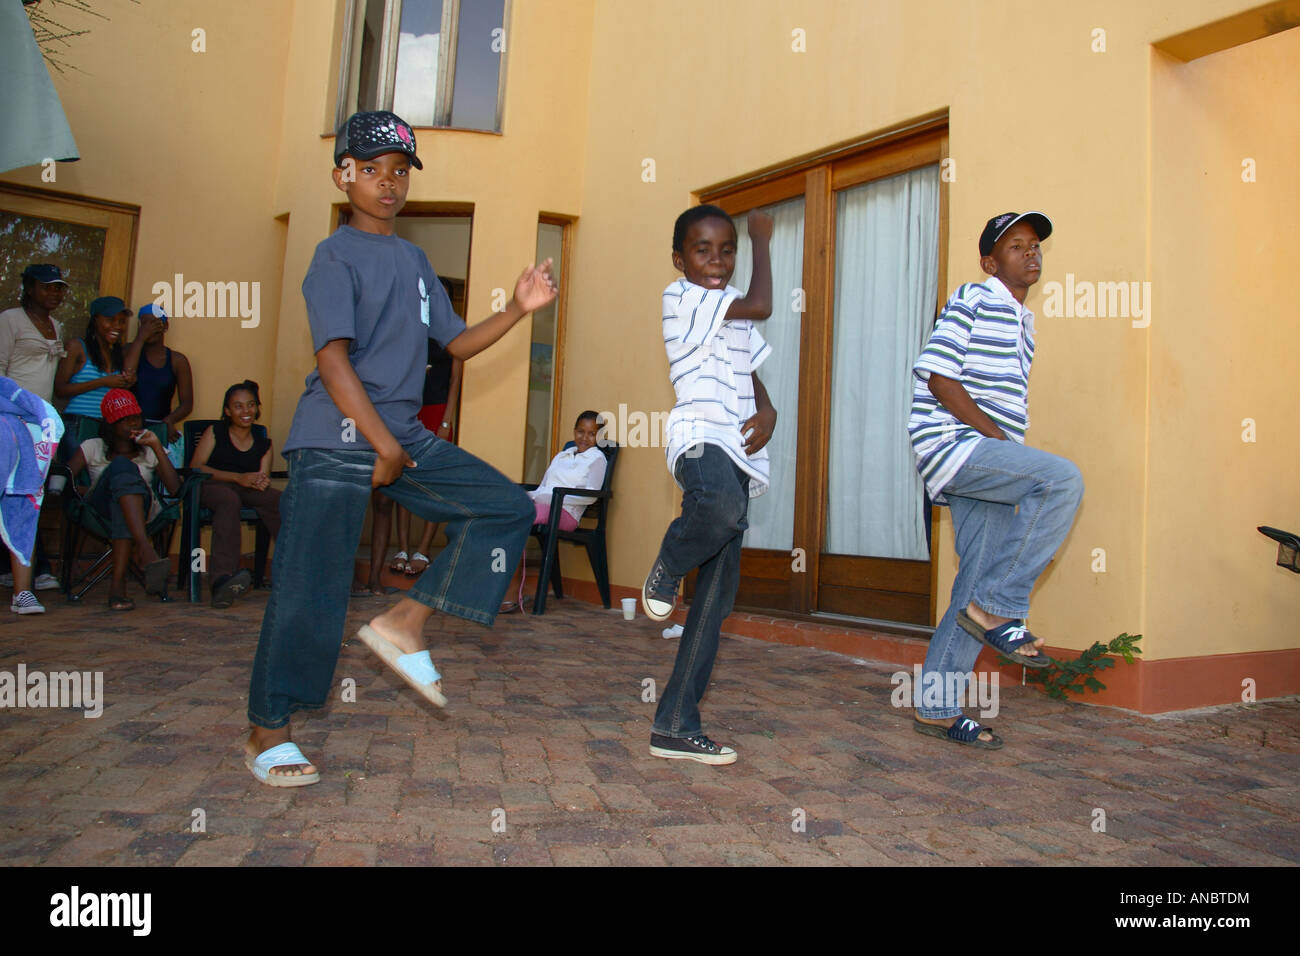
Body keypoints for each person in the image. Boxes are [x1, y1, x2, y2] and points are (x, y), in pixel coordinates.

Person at [244, 110, 555, 787]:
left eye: (399, 172)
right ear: (343, 174)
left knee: (505, 508)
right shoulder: (333, 257)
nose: (388, 184)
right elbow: (332, 361)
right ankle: (269, 731)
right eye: (372, 170)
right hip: (336, 434)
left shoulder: (415, 262)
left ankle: (404, 621)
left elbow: (456, 344)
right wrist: (379, 444)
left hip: (404, 436)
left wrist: (517, 308)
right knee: (310, 591)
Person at [907, 212, 1084, 749]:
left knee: (970, 589)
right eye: (1015, 246)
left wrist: (1000, 445)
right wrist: (1001, 443)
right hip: (955, 446)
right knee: (1061, 482)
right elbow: (939, 377)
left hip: (979, 459)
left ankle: (936, 706)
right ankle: (1002, 605)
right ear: (990, 262)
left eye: (1035, 246)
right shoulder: (975, 298)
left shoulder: (1021, 321)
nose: (1030, 253)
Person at [640, 204, 778, 766]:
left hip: (741, 451)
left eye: (729, 250)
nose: (717, 260)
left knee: (716, 602)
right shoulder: (682, 297)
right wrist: (762, 241)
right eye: (703, 249)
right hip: (700, 437)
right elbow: (764, 303)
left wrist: (768, 410)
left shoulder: (729, 310)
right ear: (680, 259)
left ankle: (675, 723)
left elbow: (749, 368)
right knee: (718, 510)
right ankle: (669, 565)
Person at [65, 389, 178, 611]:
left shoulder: (150, 447)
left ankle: (118, 588)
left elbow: (175, 489)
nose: (132, 424)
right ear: (110, 424)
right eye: (124, 420)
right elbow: (64, 479)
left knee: (123, 494)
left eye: (135, 417)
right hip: (99, 511)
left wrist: (156, 445)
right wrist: (90, 488)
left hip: (143, 511)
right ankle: (144, 548)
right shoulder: (92, 446)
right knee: (121, 469)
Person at [0, 263, 69, 592]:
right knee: (10, 493)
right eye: (47, 286)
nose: (54, 293)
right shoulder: (10, 320)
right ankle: (28, 570)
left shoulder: (57, 325)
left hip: (39, 425)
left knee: (30, 495)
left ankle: (26, 568)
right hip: (10, 420)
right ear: (29, 288)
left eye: (58, 287)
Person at [190, 380, 280, 608]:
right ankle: (221, 580)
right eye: (238, 406)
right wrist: (237, 477)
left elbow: (262, 476)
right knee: (229, 500)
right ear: (228, 411)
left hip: (245, 488)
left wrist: (260, 481)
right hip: (211, 486)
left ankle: (294, 571)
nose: (246, 411)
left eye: (250, 405)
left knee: (280, 500)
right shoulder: (216, 432)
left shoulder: (263, 443)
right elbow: (197, 467)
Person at [388, 338, 463, 577]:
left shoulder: (453, 337)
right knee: (405, 478)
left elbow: (455, 381)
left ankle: (423, 550)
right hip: (411, 410)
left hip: (438, 411)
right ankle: (402, 549)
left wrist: (446, 420)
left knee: (434, 483)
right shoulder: (413, 329)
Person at [54, 296, 142, 455]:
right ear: (95, 320)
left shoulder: (116, 353)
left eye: (121, 321)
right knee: (75, 477)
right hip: (78, 424)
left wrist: (127, 383)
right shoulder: (77, 347)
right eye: (110, 319)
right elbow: (60, 390)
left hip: (106, 427)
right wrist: (103, 381)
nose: (117, 326)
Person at [129, 304, 193, 468]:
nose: (149, 328)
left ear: (165, 326)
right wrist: (140, 339)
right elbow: (126, 375)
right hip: (130, 430)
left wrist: (168, 421)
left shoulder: (177, 360)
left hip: (161, 429)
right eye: (145, 324)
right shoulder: (129, 351)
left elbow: (187, 404)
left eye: (155, 323)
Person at [527, 410, 607, 532]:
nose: (584, 438)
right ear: (574, 431)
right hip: (543, 505)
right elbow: (543, 486)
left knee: (525, 515)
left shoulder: (597, 458)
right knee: (512, 510)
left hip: (566, 513)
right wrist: (527, 496)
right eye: (580, 432)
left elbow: (591, 496)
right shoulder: (562, 455)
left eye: (592, 434)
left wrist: (555, 498)